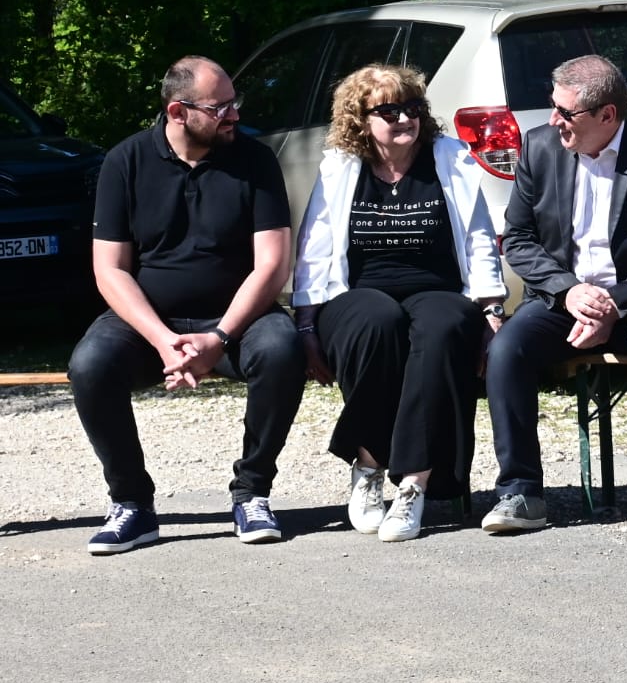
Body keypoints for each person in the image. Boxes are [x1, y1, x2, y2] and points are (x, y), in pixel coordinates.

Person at [67, 56, 306, 552]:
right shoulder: (125, 161)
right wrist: (163, 340)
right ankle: (132, 503)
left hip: (239, 318)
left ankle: (252, 492)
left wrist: (219, 337)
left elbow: (272, 264)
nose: (234, 116)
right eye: (220, 108)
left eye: (235, 103)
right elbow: (109, 270)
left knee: (282, 349)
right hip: (151, 322)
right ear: (178, 112)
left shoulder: (256, 160)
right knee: (90, 364)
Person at [481, 55, 627, 534]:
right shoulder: (540, 146)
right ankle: (520, 493)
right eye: (553, 107)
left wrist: (614, 303)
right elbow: (519, 240)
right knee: (506, 350)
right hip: (564, 298)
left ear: (608, 115)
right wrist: (569, 292)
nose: (554, 120)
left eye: (565, 112)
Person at [292, 64, 505, 542]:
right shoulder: (341, 167)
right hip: (358, 293)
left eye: (412, 108)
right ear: (361, 119)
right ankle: (369, 467)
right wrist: (306, 325)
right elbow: (315, 247)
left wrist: (492, 308)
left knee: (443, 327)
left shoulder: (449, 158)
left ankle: (413, 484)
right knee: (378, 321)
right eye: (389, 112)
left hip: (439, 288)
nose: (405, 118)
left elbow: (478, 235)